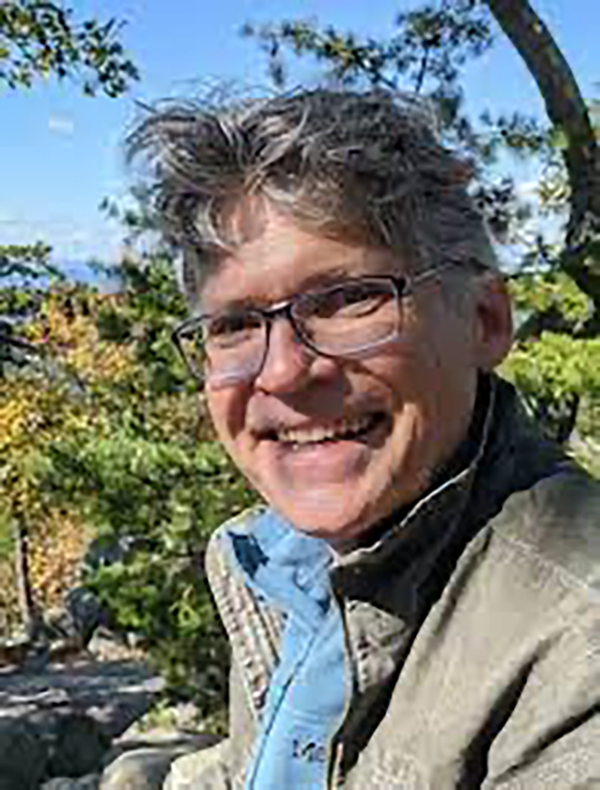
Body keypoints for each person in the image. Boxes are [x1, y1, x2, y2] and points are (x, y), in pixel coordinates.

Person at [127, 88, 600, 788]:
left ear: (486, 321)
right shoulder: (280, 562)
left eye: (349, 299)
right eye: (232, 325)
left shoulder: (576, 639)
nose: (284, 371)